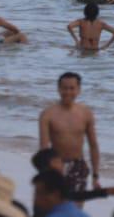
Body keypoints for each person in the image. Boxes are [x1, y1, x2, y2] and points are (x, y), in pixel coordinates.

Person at [39, 71, 104, 202]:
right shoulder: (48, 115)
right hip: (56, 166)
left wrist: (95, 176)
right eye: (64, 88)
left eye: (72, 88)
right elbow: (44, 149)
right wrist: (46, 173)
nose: (68, 92)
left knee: (76, 208)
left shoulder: (86, 113)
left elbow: (93, 146)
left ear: (78, 90)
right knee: (57, 207)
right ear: (58, 89)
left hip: (78, 166)